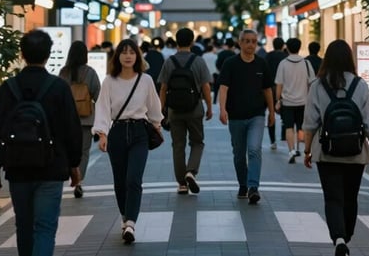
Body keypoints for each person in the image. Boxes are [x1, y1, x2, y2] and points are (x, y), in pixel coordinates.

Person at [0, 29, 82, 256]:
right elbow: (72, 130)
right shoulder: (59, 87)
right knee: (45, 228)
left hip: (18, 168)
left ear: (22, 53)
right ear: (48, 54)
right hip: (52, 167)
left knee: (24, 227)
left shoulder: (9, 88)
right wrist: (74, 165)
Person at [303, 40, 369, 256]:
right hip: (356, 152)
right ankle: (345, 236)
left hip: (326, 152)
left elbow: (310, 122)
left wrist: (307, 150)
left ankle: (338, 238)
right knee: (350, 197)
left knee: (332, 197)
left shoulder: (317, 86)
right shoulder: (360, 85)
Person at [92, 39, 163, 244]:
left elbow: (154, 105)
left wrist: (157, 125)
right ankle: (125, 216)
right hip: (118, 132)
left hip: (140, 131)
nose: (128, 55)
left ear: (138, 56)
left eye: (132, 52)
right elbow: (103, 108)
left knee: (134, 178)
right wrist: (102, 134)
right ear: (118, 57)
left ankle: (130, 222)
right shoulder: (109, 81)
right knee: (120, 180)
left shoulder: (146, 80)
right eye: (123, 52)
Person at [218, 28, 274, 204]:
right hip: (235, 116)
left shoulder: (262, 64)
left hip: (257, 115)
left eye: (253, 41)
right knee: (239, 154)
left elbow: (267, 89)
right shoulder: (230, 63)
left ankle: (253, 187)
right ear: (240, 43)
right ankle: (243, 184)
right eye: (247, 41)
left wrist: (272, 111)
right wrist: (222, 109)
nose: (250, 44)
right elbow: (223, 88)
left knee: (254, 149)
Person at [158, 27, 213, 194]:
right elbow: (205, 86)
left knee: (178, 146)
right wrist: (210, 106)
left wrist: (162, 109)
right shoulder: (198, 61)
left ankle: (181, 183)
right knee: (197, 142)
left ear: (176, 42)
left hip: (174, 110)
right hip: (195, 109)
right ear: (192, 42)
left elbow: (163, 88)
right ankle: (191, 171)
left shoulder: (169, 61)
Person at [58, 40, 101, 198]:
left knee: (67, 150)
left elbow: (58, 96)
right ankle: (79, 181)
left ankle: (70, 174)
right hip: (86, 119)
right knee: (83, 152)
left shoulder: (63, 73)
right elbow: (98, 95)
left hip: (66, 120)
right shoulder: (90, 72)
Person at [274, 37, 315, 163]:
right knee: (302, 127)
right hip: (303, 101)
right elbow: (312, 83)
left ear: (287, 48)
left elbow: (279, 84)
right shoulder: (306, 64)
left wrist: (278, 99)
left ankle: (291, 150)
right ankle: (302, 150)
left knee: (289, 127)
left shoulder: (283, 64)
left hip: (287, 102)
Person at [265, 37, 287, 150]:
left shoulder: (268, 56)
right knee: (285, 112)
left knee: (271, 112)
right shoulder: (285, 56)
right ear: (282, 45)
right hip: (283, 87)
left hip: (269, 87)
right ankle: (284, 135)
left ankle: (272, 140)